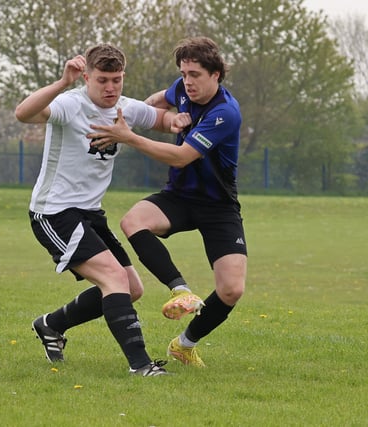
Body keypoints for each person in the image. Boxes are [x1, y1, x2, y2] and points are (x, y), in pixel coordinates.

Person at [15, 43, 187, 376]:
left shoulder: (123, 108)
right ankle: (141, 365)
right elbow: (23, 114)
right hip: (54, 212)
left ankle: (51, 325)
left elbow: (162, 120)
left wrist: (179, 118)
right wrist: (62, 83)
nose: (110, 88)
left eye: (117, 80)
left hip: (90, 213)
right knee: (113, 278)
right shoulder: (69, 104)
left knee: (132, 288)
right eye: (103, 80)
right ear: (87, 78)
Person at [88, 36, 247, 367]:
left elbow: (181, 157)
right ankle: (180, 290)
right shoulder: (181, 89)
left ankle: (184, 344)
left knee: (231, 290)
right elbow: (157, 102)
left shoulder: (224, 113)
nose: (187, 81)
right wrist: (144, 118)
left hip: (218, 205)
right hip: (179, 196)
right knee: (133, 221)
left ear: (216, 74)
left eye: (196, 75)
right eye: (184, 73)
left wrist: (128, 137)